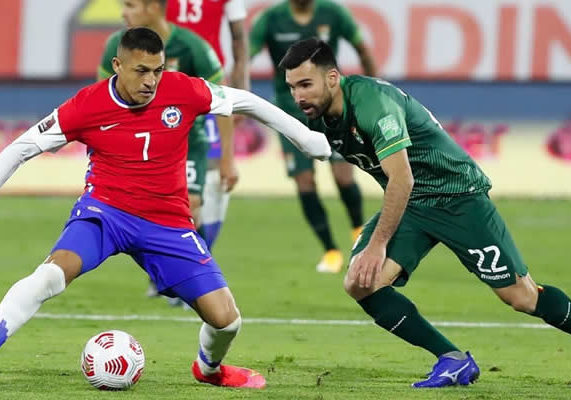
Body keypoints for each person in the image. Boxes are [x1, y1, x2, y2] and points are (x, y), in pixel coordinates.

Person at [0, 28, 330, 389]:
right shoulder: (86, 105)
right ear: (117, 65)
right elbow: (21, 148)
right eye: (141, 71)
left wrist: (305, 137)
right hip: (105, 213)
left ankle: (209, 370)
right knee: (50, 276)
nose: (151, 81)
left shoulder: (182, 90)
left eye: (157, 70)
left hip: (167, 224)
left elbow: (246, 101)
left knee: (227, 321)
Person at [279, 38, 571, 388]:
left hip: (456, 196)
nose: (299, 96)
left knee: (521, 297)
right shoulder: (320, 116)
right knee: (360, 283)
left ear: (332, 78)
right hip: (413, 204)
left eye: (305, 85)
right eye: (292, 87)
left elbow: (402, 178)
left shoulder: (373, 105)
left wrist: (376, 245)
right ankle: (453, 360)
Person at [98, 0, 231, 299]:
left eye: (130, 5)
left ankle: (196, 280)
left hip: (187, 143)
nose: (123, 12)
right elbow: (100, 101)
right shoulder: (115, 48)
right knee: (148, 210)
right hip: (138, 146)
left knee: (190, 206)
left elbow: (224, 102)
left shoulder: (192, 46)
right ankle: (165, 274)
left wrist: (227, 159)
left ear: (153, 8)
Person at [250, 0, 377, 273]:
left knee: (344, 176)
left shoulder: (333, 13)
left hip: (332, 108)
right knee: (305, 181)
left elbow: (363, 48)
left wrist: (374, 90)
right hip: (290, 115)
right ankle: (330, 250)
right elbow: (244, 56)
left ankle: (359, 232)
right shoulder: (271, 19)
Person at [166, 0, 251, 249]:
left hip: (210, 87)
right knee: (170, 175)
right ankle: (187, 252)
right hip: (168, 87)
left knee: (215, 176)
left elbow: (239, 38)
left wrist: (241, 85)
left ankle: (202, 251)